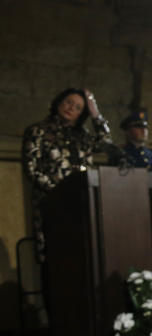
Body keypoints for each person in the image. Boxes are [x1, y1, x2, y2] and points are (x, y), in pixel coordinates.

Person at [23, 87, 112, 260]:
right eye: (68, 103)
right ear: (59, 103)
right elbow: (31, 169)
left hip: (81, 203)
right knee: (56, 257)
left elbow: (106, 142)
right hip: (52, 202)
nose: (71, 108)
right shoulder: (38, 131)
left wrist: (95, 113)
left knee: (82, 255)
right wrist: (60, 192)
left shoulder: (83, 136)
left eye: (78, 107)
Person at [114, 110, 152, 216]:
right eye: (138, 127)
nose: (144, 130)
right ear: (127, 131)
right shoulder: (120, 155)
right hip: (131, 206)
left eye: (145, 127)